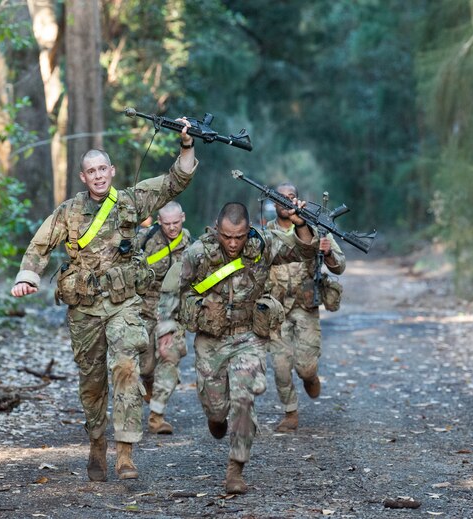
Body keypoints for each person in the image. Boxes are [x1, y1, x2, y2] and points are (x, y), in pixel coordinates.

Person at [10, 122, 197, 482]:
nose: (98, 176)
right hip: (84, 308)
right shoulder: (69, 211)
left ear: (112, 171)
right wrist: (27, 276)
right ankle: (97, 442)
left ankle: (125, 453)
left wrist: (186, 144)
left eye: (103, 169)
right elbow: (39, 245)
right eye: (91, 171)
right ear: (84, 176)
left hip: (124, 303)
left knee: (126, 367)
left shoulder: (131, 200)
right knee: (92, 382)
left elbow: (176, 179)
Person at [158, 201, 319, 494]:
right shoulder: (199, 253)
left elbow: (304, 251)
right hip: (210, 340)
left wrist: (300, 223)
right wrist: (166, 330)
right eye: (227, 236)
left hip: (249, 337)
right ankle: (217, 419)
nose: (233, 243)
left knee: (244, 399)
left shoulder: (262, 245)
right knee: (217, 413)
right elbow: (172, 290)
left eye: (240, 236)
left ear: (248, 231)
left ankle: (236, 468)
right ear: (217, 229)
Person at [265, 182, 345, 433]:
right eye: (282, 198)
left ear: (298, 201)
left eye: (292, 197)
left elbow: (339, 266)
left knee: (306, 365)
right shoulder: (263, 234)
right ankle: (290, 412)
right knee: (280, 366)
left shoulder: (316, 229)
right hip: (276, 308)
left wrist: (328, 252)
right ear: (274, 203)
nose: (287, 201)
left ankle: (310, 377)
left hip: (305, 305)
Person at [136, 201, 192, 434]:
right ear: (159, 221)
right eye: (167, 224)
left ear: (183, 218)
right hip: (145, 311)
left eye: (176, 223)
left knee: (170, 356)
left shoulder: (192, 245)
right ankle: (148, 384)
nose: (172, 228)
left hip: (174, 314)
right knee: (146, 367)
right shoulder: (145, 240)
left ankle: (157, 416)